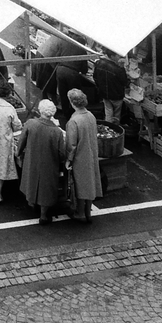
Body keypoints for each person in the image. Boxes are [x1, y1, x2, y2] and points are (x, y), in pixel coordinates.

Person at [16, 99, 65, 224]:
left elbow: (21, 141)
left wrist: (18, 152)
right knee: (46, 189)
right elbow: (62, 153)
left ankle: (31, 202)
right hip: (49, 164)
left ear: (39, 110)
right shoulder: (57, 132)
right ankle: (43, 215)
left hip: (32, 160)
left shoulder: (30, 123)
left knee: (31, 181)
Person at [66, 89, 102, 223]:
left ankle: (80, 213)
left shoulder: (73, 121)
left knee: (80, 184)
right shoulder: (91, 116)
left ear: (72, 102)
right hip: (91, 153)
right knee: (91, 181)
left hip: (80, 156)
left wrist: (69, 160)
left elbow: (71, 145)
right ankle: (88, 212)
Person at [93, 52, 129, 123]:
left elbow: (95, 77)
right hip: (116, 95)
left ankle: (108, 129)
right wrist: (122, 68)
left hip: (104, 94)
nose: (119, 57)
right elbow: (124, 82)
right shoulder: (117, 69)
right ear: (112, 56)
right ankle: (115, 129)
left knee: (108, 113)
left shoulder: (99, 63)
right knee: (116, 115)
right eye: (117, 55)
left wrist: (100, 87)